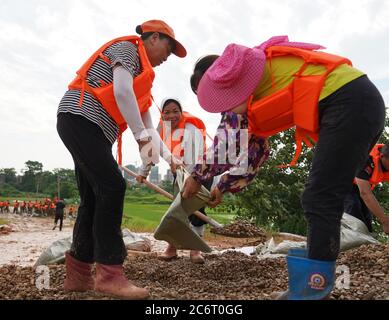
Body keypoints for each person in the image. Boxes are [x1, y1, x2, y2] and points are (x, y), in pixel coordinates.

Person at [183, 36, 386, 300]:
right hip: (362, 102)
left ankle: (313, 290)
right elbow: (253, 152)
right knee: (324, 196)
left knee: (320, 197)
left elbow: (226, 146)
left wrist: (197, 176)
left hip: (348, 102)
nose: (217, 102)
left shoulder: (238, 81)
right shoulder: (252, 80)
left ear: (220, 75)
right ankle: (314, 286)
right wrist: (222, 185)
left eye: (211, 91)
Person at [57, 19, 186, 299]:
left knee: (93, 196)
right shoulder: (128, 49)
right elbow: (121, 92)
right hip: (80, 117)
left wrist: (169, 158)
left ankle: (78, 273)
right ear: (152, 39)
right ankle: (110, 274)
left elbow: (149, 127)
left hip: (88, 127)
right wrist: (139, 137)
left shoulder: (143, 79)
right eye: (168, 47)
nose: (168, 56)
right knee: (113, 186)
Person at [153, 98, 210, 264]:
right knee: (176, 209)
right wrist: (144, 171)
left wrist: (191, 178)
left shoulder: (191, 128)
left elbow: (198, 154)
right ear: (162, 114)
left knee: (196, 209)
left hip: (200, 171)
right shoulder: (161, 128)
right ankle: (172, 249)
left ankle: (196, 250)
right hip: (179, 173)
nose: (172, 115)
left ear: (181, 111)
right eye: (167, 112)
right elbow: (152, 149)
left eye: (175, 111)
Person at [344, 143, 389, 235]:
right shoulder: (365, 159)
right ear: (382, 156)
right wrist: (385, 221)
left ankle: (365, 241)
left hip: (358, 187)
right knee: (354, 211)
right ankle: (352, 242)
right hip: (342, 184)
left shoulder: (385, 163)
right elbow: (365, 193)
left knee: (366, 220)